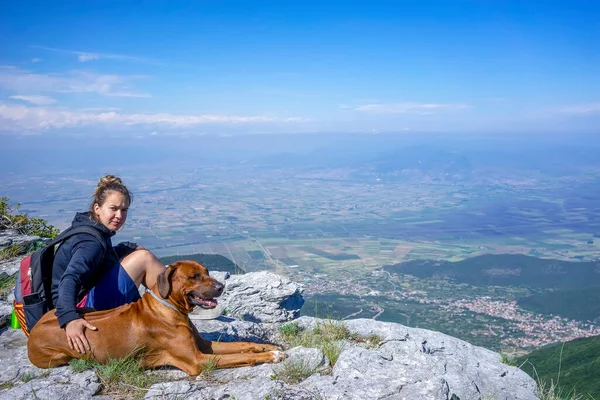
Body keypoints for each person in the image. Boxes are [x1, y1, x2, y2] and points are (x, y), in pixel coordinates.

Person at [51, 175, 166, 354]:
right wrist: (69, 319)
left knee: (138, 254)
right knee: (143, 258)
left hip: (83, 299)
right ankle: (181, 300)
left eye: (124, 210)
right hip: (83, 307)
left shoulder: (89, 228)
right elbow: (70, 278)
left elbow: (102, 258)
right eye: (113, 208)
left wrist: (126, 248)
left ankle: (176, 298)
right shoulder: (91, 242)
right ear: (97, 208)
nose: (119, 216)